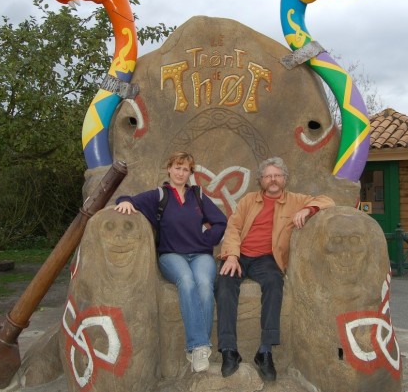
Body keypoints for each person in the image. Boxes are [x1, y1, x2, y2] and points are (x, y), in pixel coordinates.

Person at [214, 157, 335, 382]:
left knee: (274, 282)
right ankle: (229, 350)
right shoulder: (249, 200)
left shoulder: (296, 200)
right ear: (260, 180)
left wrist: (308, 209)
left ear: (285, 179)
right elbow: (233, 227)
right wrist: (232, 255)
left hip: (266, 259)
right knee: (224, 285)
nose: (273, 180)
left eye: (277, 175)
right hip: (239, 255)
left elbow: (328, 200)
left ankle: (265, 350)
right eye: (268, 176)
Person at [113, 151, 227, 373]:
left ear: (190, 173)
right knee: (186, 281)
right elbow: (126, 199)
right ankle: (199, 346)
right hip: (171, 255)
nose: (181, 172)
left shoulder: (198, 196)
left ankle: (198, 349)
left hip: (201, 255)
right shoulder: (159, 195)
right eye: (177, 167)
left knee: (204, 284)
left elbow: (221, 222)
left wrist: (207, 239)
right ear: (169, 169)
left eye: (185, 169)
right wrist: (125, 202)